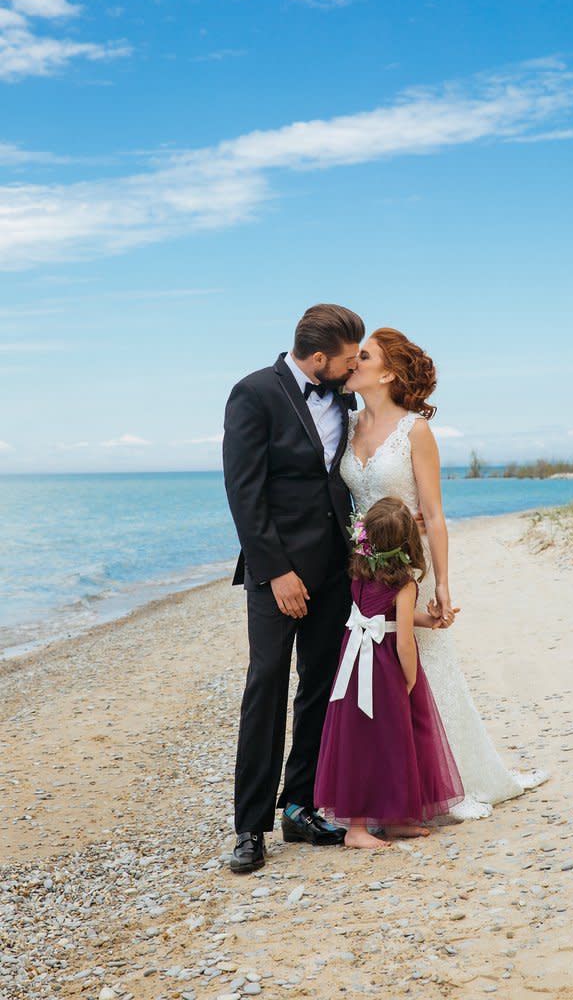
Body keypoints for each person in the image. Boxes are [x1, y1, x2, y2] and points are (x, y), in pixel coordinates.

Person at [339, 328, 549, 821]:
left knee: (426, 669)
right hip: (366, 568)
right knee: (379, 669)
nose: (352, 361)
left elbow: (432, 513)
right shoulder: (345, 426)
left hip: (413, 568)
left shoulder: (415, 430)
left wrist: (445, 585)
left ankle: (452, 782)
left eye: (363, 355)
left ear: (388, 372)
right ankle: (399, 782)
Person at [222, 303, 365, 873]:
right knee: (267, 688)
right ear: (319, 357)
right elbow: (244, 491)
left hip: (336, 568)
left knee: (319, 688)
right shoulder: (253, 393)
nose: (354, 369)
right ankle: (249, 827)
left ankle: (299, 807)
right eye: (349, 359)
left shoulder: (343, 395)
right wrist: (275, 571)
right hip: (278, 571)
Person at [314, 497, 464, 848]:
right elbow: (404, 642)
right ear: (409, 543)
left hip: (353, 667)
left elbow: (391, 619)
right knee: (388, 741)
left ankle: (394, 820)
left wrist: (432, 620)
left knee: (367, 741)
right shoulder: (405, 584)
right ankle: (356, 830)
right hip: (381, 668)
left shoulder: (360, 572)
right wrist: (409, 677)